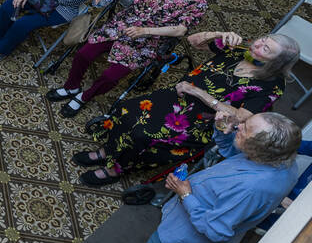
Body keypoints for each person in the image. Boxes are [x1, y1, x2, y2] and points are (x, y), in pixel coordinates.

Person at [95, 112, 301, 243]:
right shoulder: (284, 164)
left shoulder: (253, 188)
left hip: (185, 238)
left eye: (246, 128)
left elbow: (215, 230)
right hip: (183, 224)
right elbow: (233, 154)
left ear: (262, 149)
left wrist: (184, 193)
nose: (239, 126)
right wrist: (222, 132)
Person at [73, 32, 299, 186]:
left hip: (198, 121)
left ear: (275, 63)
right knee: (125, 110)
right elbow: (193, 41)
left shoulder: (271, 86)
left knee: (142, 134)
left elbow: (239, 118)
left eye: (266, 48)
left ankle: (115, 170)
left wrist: (199, 93)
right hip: (175, 96)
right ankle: (107, 152)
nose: (257, 45)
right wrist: (218, 35)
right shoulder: (239, 49)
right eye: (263, 39)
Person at [50, 0, 211, 118]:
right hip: (121, 25)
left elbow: (180, 30)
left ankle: (84, 97)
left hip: (147, 42)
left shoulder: (197, 2)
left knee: (110, 76)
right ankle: (72, 86)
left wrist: (145, 30)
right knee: (83, 54)